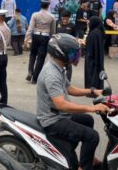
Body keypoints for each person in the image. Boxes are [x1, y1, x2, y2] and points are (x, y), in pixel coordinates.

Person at [37, 33, 110, 170]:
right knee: (92, 136)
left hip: (58, 114)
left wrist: (92, 91)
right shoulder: (51, 74)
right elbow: (61, 105)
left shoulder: (58, 67)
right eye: (72, 53)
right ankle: (84, 167)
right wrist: (91, 108)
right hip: (52, 120)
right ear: (61, 53)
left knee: (88, 120)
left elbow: (69, 88)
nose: (75, 56)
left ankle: (87, 158)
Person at [25, 0, 56, 84]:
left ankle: (30, 71)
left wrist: (27, 38)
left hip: (35, 35)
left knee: (32, 54)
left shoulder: (35, 15)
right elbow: (52, 31)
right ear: (48, 6)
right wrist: (52, 40)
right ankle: (35, 78)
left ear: (40, 5)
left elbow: (30, 27)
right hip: (45, 37)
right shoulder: (52, 16)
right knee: (41, 58)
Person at [85, 16, 105, 89]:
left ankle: (92, 91)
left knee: (92, 75)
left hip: (93, 59)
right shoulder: (98, 32)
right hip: (96, 58)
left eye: (89, 23)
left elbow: (94, 48)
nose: (89, 24)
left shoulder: (94, 33)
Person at [56, 10, 76, 81]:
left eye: (66, 19)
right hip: (58, 48)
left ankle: (68, 81)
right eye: (63, 19)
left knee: (68, 65)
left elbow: (75, 38)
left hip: (69, 49)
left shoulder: (72, 26)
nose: (65, 20)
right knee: (57, 64)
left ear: (69, 18)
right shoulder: (57, 24)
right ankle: (58, 79)